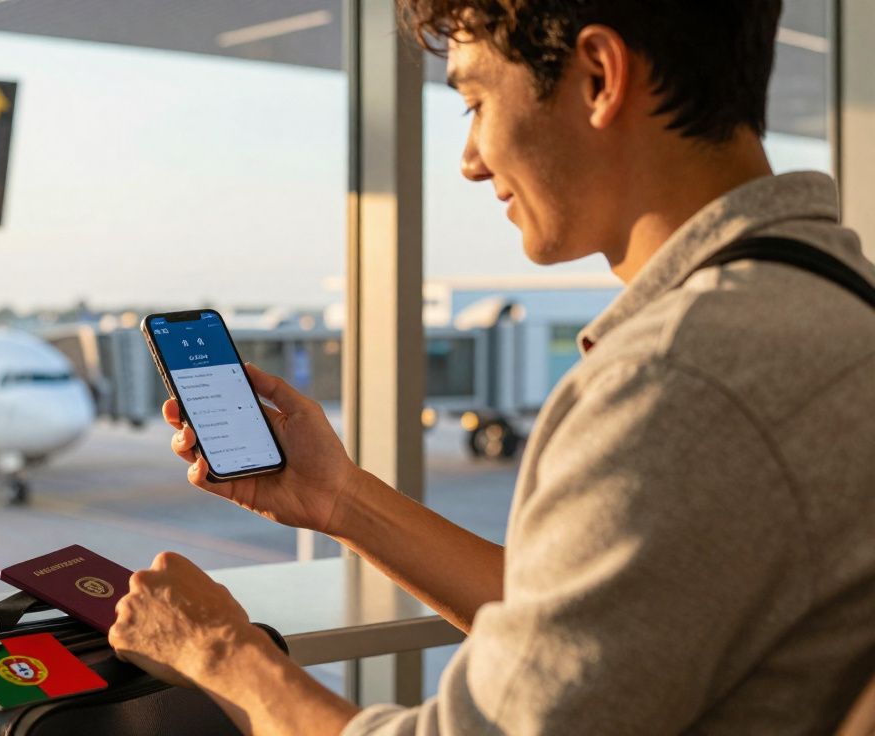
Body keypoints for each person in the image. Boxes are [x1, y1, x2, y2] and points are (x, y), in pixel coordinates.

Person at [107, 0, 875, 733]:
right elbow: (600, 629)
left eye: (474, 102)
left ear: (600, 77)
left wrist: (217, 652)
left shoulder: (678, 380)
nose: (472, 161)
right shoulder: (834, 305)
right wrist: (339, 500)